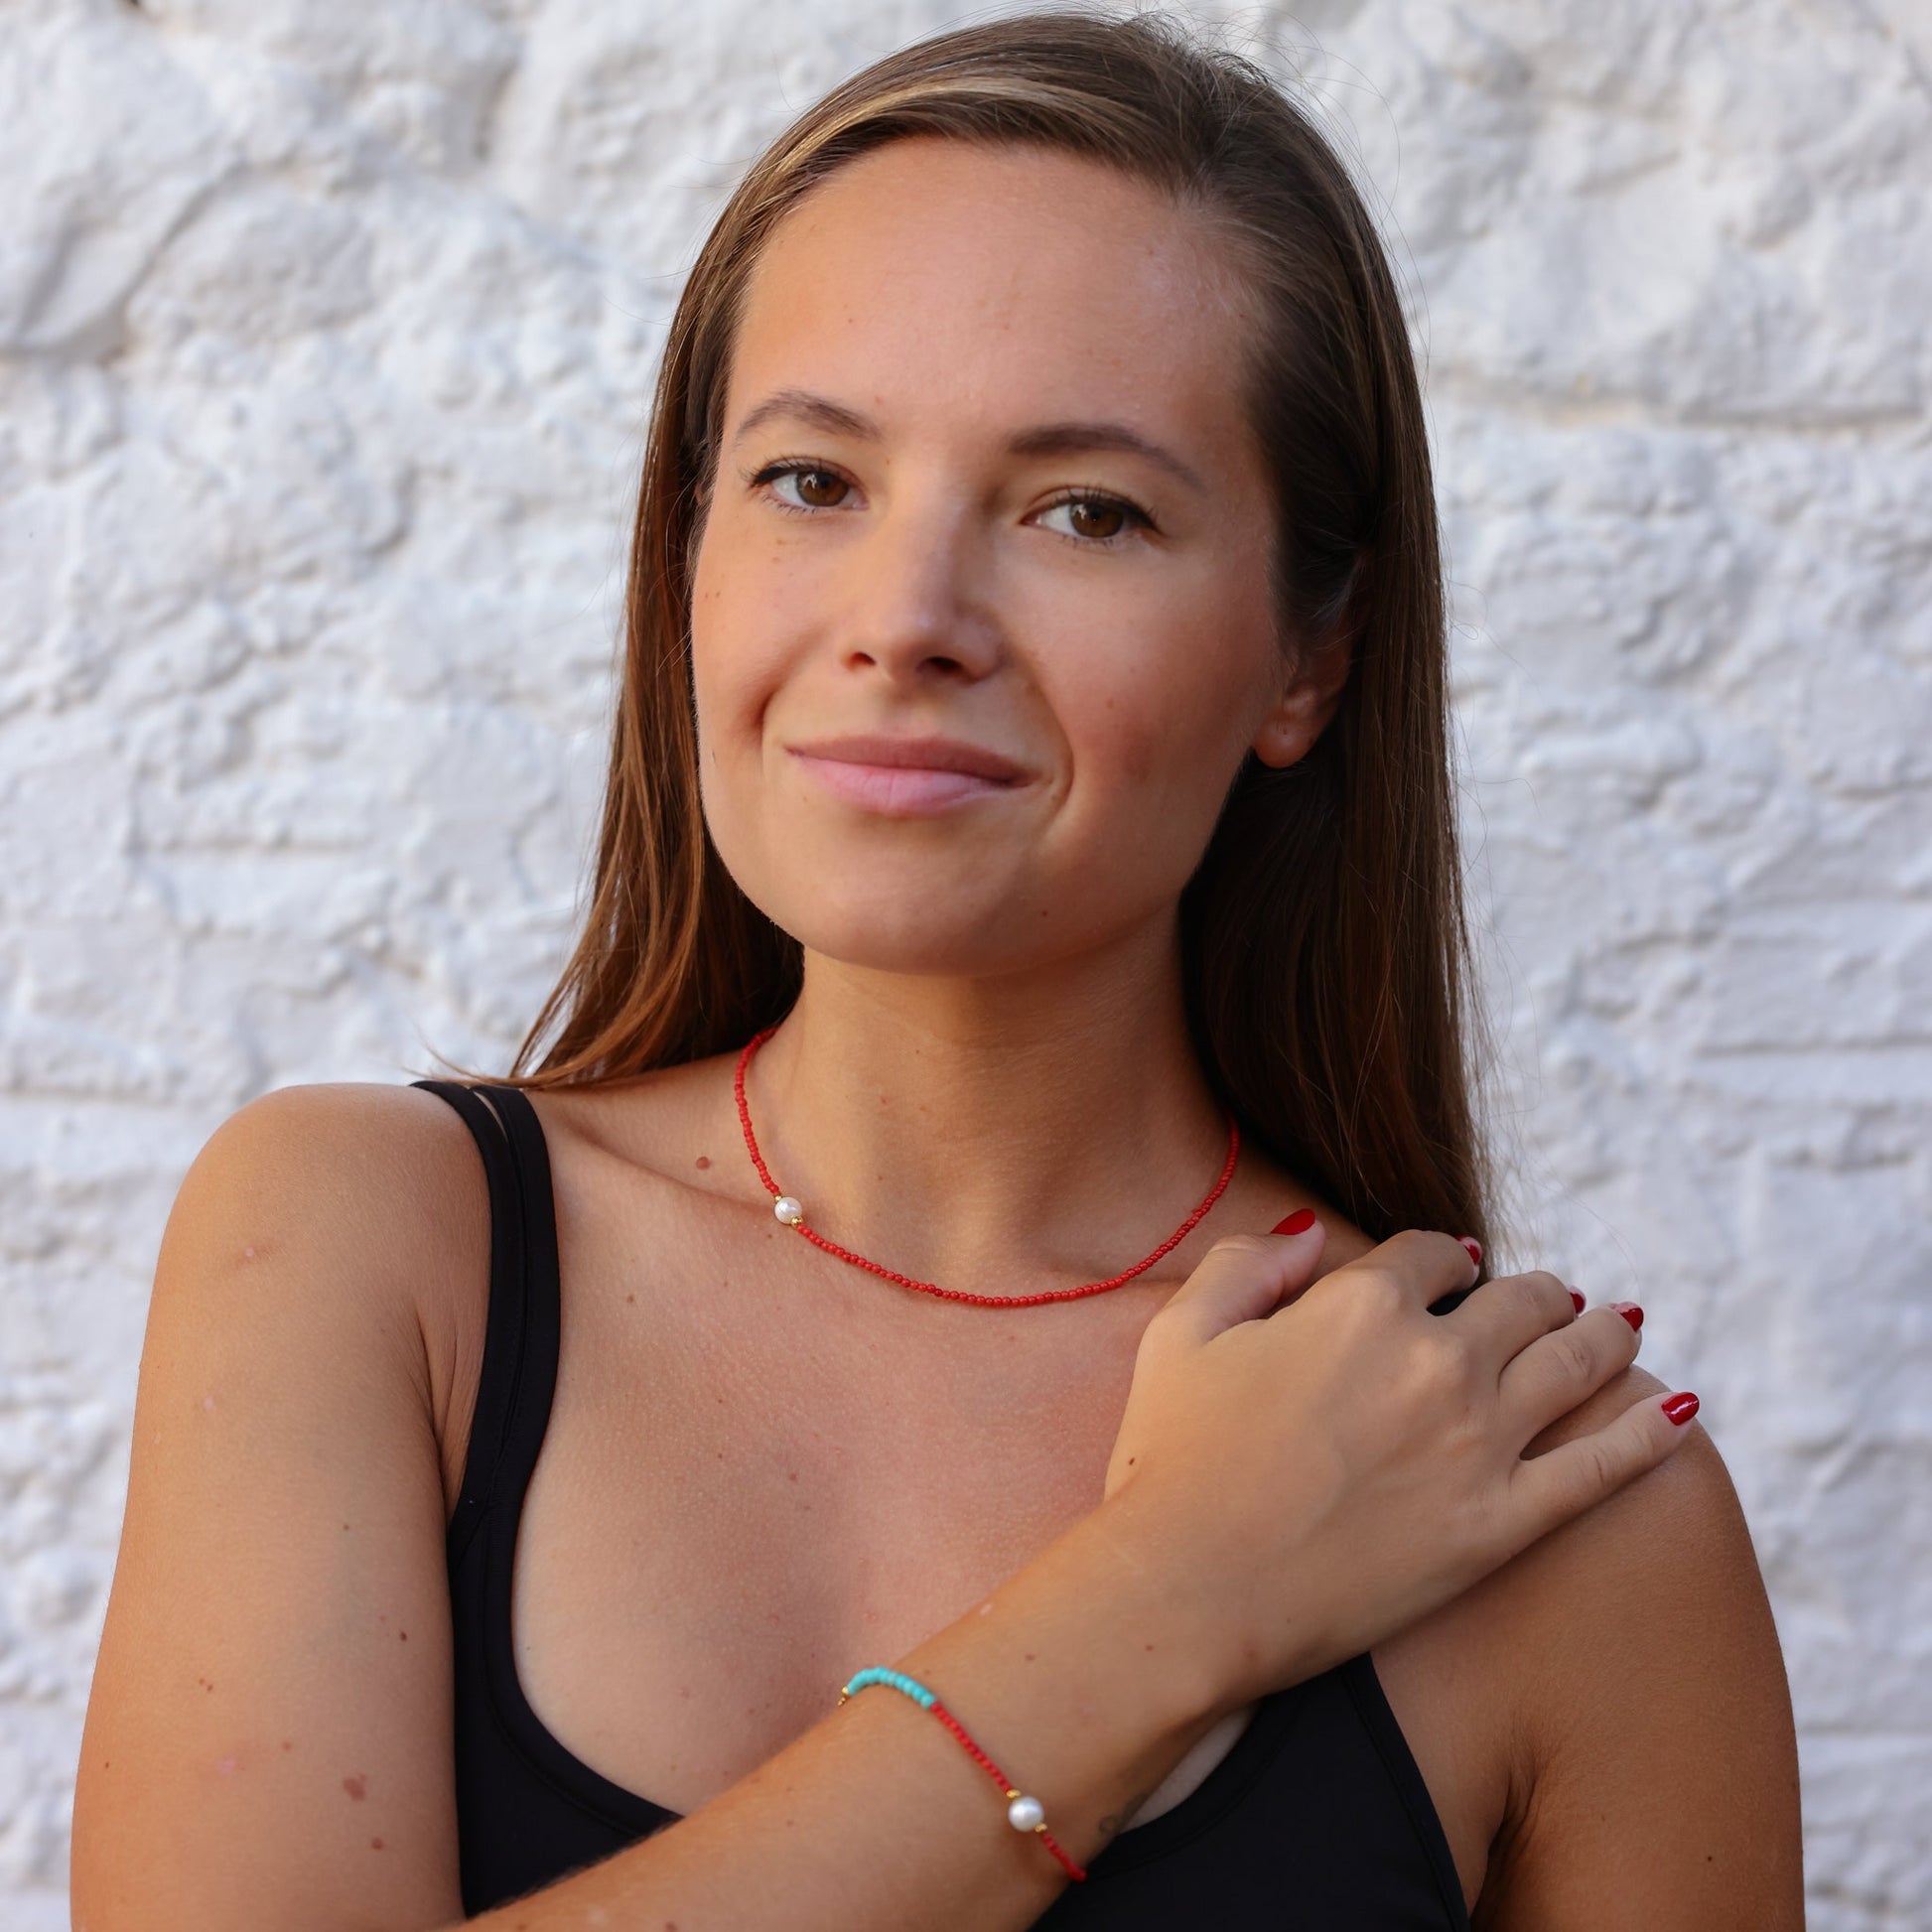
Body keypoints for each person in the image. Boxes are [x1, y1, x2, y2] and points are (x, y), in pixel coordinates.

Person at [69, 13, 1802, 1929]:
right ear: (687, 559)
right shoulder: (369, 1248)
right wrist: (1175, 1592)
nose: (904, 621)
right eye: (813, 480)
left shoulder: (1552, 1506)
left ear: (1308, 659)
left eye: (1087, 510)